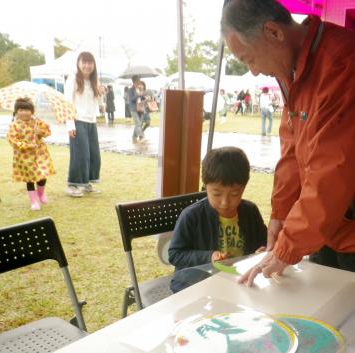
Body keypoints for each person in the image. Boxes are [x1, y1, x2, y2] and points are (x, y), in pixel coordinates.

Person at [221, 0, 355, 286]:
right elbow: (292, 149)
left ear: (273, 32)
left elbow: (333, 168)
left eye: (248, 59)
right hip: (327, 230)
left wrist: (289, 245)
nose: (253, 72)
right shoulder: (291, 69)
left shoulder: (343, 61)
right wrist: (281, 214)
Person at [168, 147, 267, 292]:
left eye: (234, 194)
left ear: (244, 188)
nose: (225, 202)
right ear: (205, 186)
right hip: (199, 285)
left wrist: (262, 250)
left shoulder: (250, 211)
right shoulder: (191, 216)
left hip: (239, 282)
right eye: (216, 194)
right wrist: (209, 256)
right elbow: (175, 254)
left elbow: (264, 243)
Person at [64, 51, 103, 197]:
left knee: (93, 155)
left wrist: (101, 93)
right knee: (81, 154)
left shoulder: (94, 81)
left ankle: (86, 183)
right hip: (77, 120)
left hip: (91, 121)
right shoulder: (73, 79)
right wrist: (70, 125)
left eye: (90, 63)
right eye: (84, 62)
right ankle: (72, 184)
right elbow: (67, 102)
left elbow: (99, 104)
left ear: (94, 65)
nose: (87, 66)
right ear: (78, 63)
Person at [7, 97, 55, 210]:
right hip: (24, 156)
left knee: (43, 175)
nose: (24, 112)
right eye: (21, 110)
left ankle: (41, 194)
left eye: (27, 110)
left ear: (32, 111)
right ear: (16, 112)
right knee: (30, 178)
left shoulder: (37, 122)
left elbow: (48, 131)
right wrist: (27, 146)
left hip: (40, 153)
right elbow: (13, 140)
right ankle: (34, 201)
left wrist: (41, 132)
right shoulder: (14, 125)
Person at [128, 75, 145, 143]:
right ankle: (141, 137)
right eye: (138, 81)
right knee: (138, 123)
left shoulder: (139, 88)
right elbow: (131, 99)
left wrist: (144, 96)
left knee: (139, 124)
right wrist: (138, 95)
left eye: (139, 81)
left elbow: (142, 98)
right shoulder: (131, 90)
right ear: (134, 82)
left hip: (140, 108)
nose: (139, 82)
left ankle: (134, 137)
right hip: (134, 109)